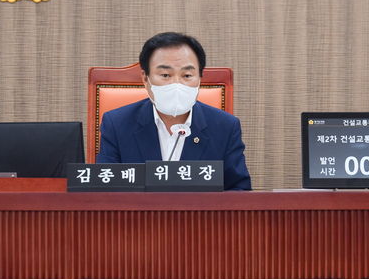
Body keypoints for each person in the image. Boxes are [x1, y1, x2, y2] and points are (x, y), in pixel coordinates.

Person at [96, 32, 252, 190]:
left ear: (200, 78)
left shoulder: (225, 127)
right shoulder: (117, 124)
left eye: (187, 75)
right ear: (145, 78)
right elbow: (105, 191)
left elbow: (239, 192)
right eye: (165, 75)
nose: (176, 84)